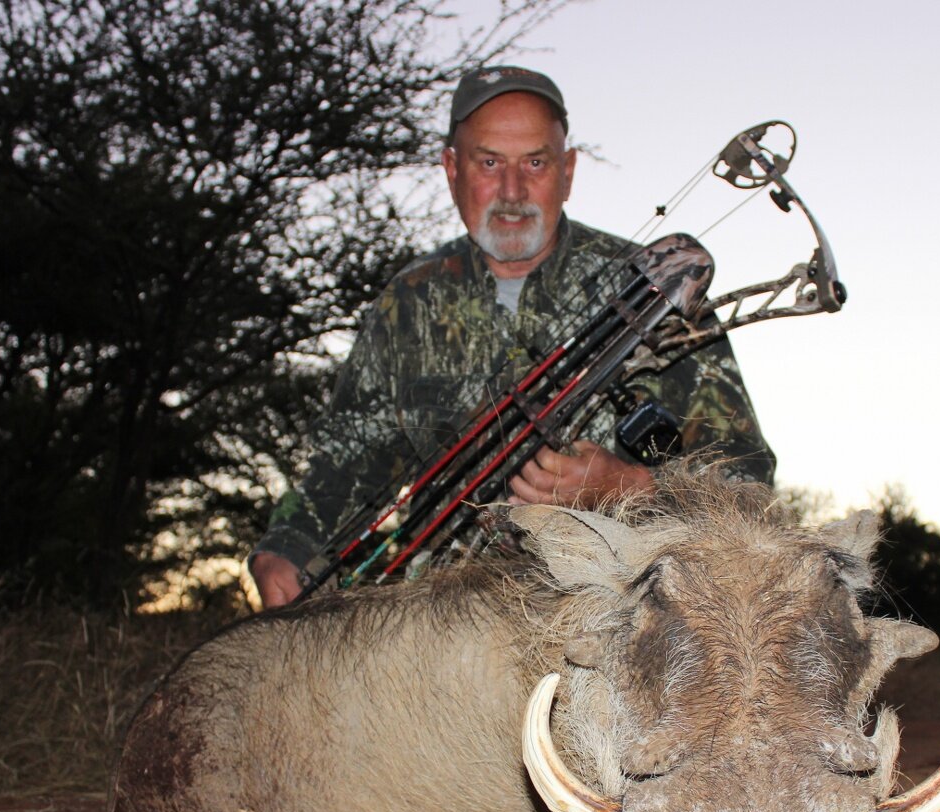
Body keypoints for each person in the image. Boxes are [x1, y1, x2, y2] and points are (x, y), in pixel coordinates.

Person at [249, 66, 775, 607]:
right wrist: (283, 549)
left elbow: (749, 485)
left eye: (536, 163)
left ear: (567, 172)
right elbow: (344, 464)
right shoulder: (405, 303)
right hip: (434, 631)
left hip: (612, 630)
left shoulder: (655, 292)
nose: (512, 191)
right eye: (490, 162)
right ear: (452, 169)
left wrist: (630, 490)